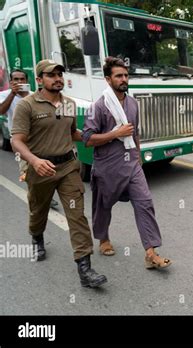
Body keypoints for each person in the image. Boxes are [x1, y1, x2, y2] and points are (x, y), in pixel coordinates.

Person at [11, 59, 107, 288]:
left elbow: (72, 132)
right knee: (38, 210)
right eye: (51, 75)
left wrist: (99, 138)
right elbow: (16, 140)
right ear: (39, 80)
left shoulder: (69, 105)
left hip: (67, 169)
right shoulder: (28, 105)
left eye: (59, 74)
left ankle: (85, 270)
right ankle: (37, 237)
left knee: (77, 216)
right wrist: (34, 161)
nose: (57, 79)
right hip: (39, 170)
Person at [82, 57, 171, 270]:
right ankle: (103, 239)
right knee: (103, 206)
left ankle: (150, 252)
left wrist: (138, 155)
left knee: (145, 202)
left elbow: (135, 132)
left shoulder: (132, 103)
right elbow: (87, 139)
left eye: (125, 75)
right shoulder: (99, 106)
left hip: (131, 163)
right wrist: (115, 134)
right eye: (118, 76)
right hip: (107, 166)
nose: (123, 79)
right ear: (108, 79)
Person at [0, 69, 59, 207]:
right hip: (20, 143)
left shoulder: (36, 96)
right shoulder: (5, 95)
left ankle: (46, 197)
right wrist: (12, 94)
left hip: (40, 141)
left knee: (45, 169)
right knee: (27, 172)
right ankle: (36, 196)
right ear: (11, 82)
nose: (19, 82)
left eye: (22, 79)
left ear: (27, 81)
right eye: (16, 80)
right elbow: (1, 111)